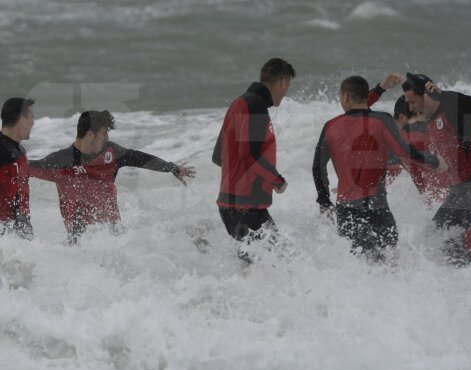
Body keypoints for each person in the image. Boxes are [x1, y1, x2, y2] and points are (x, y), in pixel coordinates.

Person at [312, 76, 446, 261]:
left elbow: (318, 167)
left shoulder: (331, 126)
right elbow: (405, 151)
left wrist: (324, 201)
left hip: (347, 211)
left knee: (356, 264)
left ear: (345, 97)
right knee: (389, 263)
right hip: (378, 208)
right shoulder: (382, 120)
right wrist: (435, 161)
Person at [28, 110, 195, 244]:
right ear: (90, 134)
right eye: (103, 133)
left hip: (114, 238)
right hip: (79, 242)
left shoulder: (112, 153)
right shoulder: (60, 162)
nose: (107, 137)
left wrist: (172, 168)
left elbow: (140, 159)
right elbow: (24, 168)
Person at [212, 58, 295, 262]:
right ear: (283, 82)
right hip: (245, 207)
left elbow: (217, 156)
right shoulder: (254, 105)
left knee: (256, 268)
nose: (286, 92)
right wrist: (276, 180)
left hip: (233, 204)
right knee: (280, 263)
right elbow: (250, 154)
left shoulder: (239, 103)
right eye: (288, 86)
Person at [402, 72, 471, 230]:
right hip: (461, 190)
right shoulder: (431, 120)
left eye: (412, 102)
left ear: (426, 95)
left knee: (447, 242)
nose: (411, 108)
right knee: (434, 237)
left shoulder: (451, 112)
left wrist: (442, 95)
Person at [0, 98, 35, 240]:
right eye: (32, 118)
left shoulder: (20, 150)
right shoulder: (2, 149)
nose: (33, 123)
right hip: (4, 229)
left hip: (19, 228)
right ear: (22, 120)